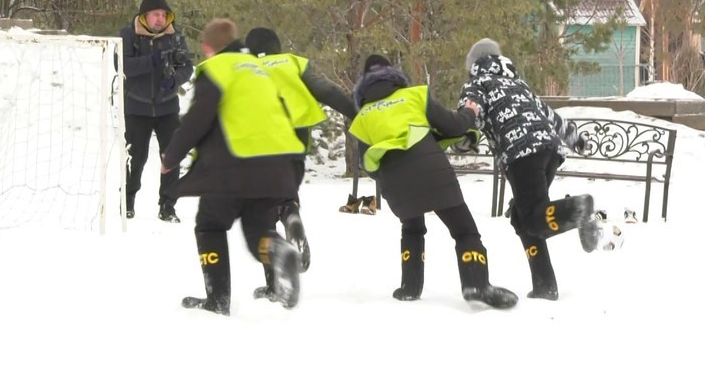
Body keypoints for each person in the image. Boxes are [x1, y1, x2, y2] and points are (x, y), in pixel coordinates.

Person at [349, 54, 517, 309]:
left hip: (396, 185)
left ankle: (409, 287)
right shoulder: (414, 96)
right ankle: (477, 284)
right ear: (393, 76)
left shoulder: (362, 117)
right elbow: (454, 125)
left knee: (412, 229)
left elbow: (367, 164)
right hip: (433, 173)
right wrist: (469, 113)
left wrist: (390, 175)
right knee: (464, 231)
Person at [160, 18, 304, 315]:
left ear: (208, 48)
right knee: (258, 232)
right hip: (277, 168)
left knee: (210, 225)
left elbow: (197, 120)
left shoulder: (216, 70)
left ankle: (217, 300)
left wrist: (171, 158)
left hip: (234, 166)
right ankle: (279, 251)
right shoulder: (259, 70)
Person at [458, 38, 599, 300]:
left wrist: (464, 136)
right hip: (550, 152)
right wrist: (576, 140)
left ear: (474, 64)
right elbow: (551, 116)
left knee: (534, 219)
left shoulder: (477, 84)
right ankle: (545, 286)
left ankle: (578, 209)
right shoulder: (519, 84)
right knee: (523, 217)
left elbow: (471, 112)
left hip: (521, 152)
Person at [244, 27, 355, 290]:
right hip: (293, 141)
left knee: (261, 214)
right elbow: (326, 91)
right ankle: (292, 216)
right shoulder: (293, 62)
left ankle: (274, 285)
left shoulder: (244, 70)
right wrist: (356, 112)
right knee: (285, 195)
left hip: (256, 146)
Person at [118, 0, 194, 222]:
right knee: (136, 157)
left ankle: (168, 206)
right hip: (136, 107)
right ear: (144, 16)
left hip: (167, 107)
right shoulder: (128, 36)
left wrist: (174, 80)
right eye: (155, 14)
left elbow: (187, 67)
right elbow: (124, 66)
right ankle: (127, 202)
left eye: (163, 15)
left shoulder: (175, 37)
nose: (160, 19)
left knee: (171, 157)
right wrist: (152, 60)